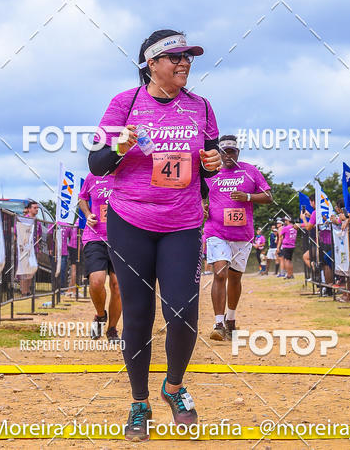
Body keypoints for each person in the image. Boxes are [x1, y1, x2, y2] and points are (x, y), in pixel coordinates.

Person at [88, 29, 221, 440]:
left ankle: (174, 387)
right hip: (130, 221)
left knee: (182, 312)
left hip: (182, 222)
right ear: (151, 63)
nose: (185, 64)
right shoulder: (124, 103)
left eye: (188, 58)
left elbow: (211, 160)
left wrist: (213, 164)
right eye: (176, 57)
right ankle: (139, 402)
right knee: (139, 315)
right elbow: (96, 163)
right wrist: (121, 148)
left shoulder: (201, 106)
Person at [204, 136, 271, 340]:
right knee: (220, 273)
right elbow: (199, 197)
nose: (228, 155)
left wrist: (248, 197)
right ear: (219, 153)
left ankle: (230, 320)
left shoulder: (249, 171)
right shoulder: (209, 173)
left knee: (234, 278)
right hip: (216, 232)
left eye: (232, 151)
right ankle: (218, 324)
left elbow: (269, 196)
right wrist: (202, 208)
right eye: (224, 152)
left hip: (242, 236)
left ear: (237, 152)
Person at [77, 173, 121, 342]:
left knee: (117, 286)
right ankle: (100, 315)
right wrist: (88, 214)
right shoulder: (92, 176)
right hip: (95, 237)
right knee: (96, 281)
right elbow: (82, 198)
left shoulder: (128, 172)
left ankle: (112, 329)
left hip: (121, 239)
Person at [19, 199, 40, 297]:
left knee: (31, 270)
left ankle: (28, 291)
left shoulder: (37, 221)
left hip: (34, 248)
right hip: (25, 248)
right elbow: (18, 232)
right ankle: (24, 292)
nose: (37, 210)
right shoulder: (23, 219)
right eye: (35, 208)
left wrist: (38, 249)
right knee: (24, 270)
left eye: (37, 208)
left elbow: (38, 235)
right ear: (29, 209)